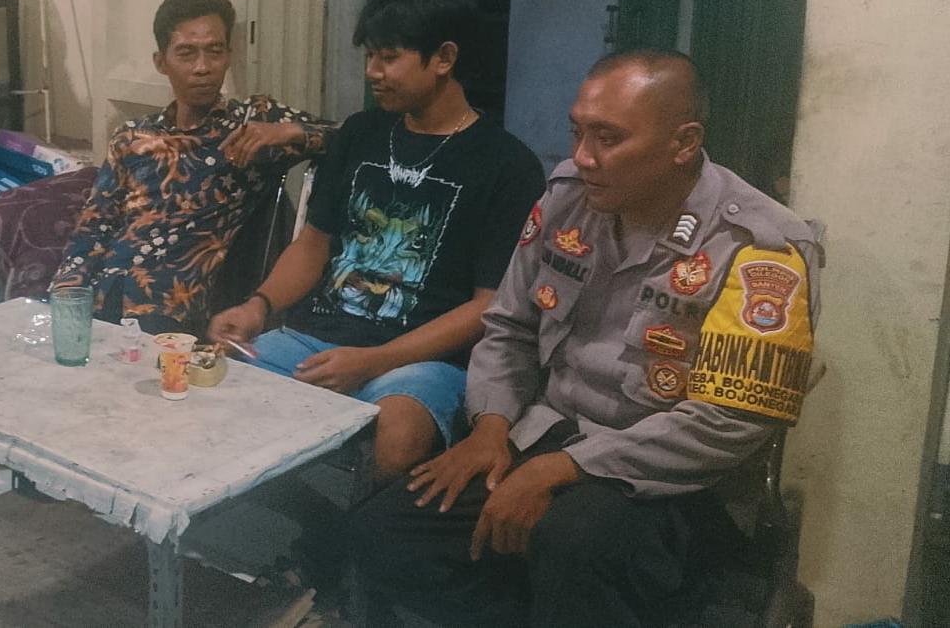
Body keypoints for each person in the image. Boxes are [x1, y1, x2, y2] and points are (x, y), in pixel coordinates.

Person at [352, 50, 822, 627]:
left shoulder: (759, 246)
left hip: (668, 477)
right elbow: (510, 326)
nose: (582, 156)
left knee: (571, 544)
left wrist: (561, 469)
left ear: (684, 142)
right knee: (384, 529)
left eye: (608, 138)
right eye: (577, 132)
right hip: (542, 433)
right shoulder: (567, 200)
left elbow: (728, 420)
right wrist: (490, 426)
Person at [209, 0, 545, 480]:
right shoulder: (360, 134)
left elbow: (488, 306)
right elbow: (313, 245)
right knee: (214, 378)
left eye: (388, 58)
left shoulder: (506, 165)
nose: (372, 72)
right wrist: (257, 306)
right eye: (369, 56)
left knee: (399, 433)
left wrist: (374, 360)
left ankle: (352, 529)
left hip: (423, 359)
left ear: (444, 58)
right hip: (316, 339)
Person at [51, 0, 331, 336]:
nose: (202, 68)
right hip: (102, 293)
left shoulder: (252, 122)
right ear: (161, 62)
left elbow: (353, 137)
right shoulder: (132, 136)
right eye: (186, 53)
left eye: (214, 52)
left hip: (170, 307)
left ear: (228, 56)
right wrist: (65, 292)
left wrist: (288, 131)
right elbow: (95, 225)